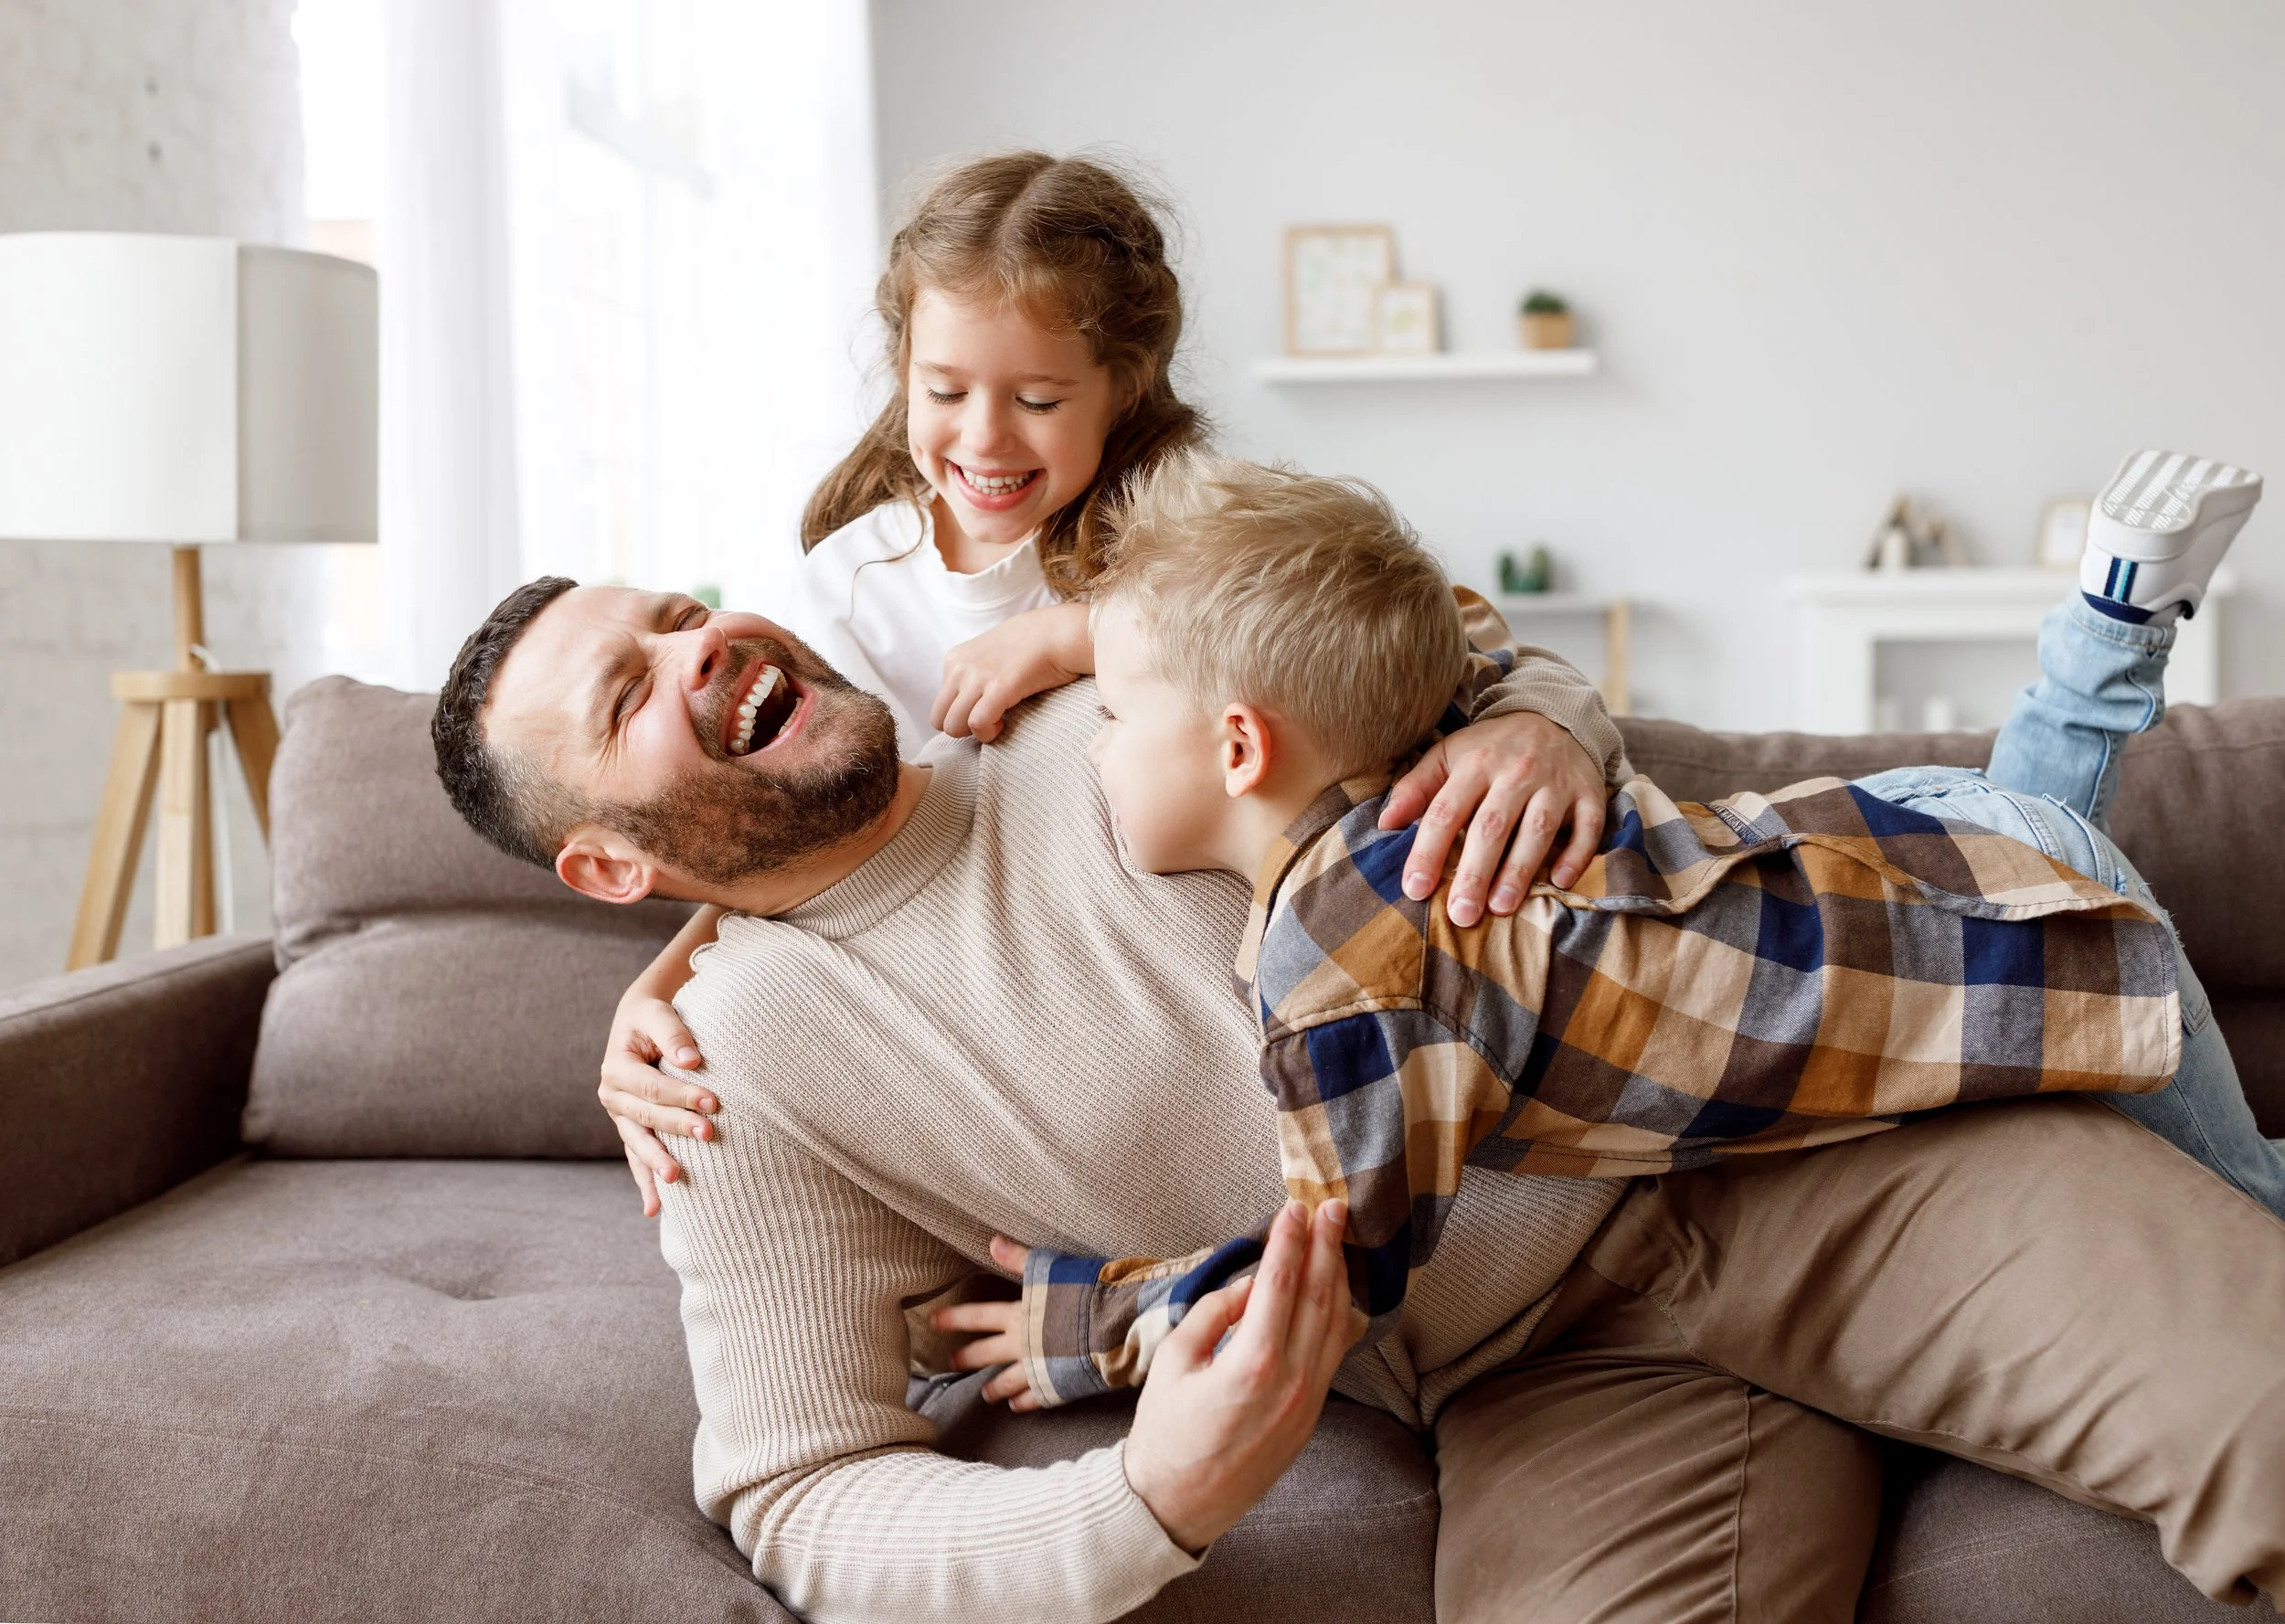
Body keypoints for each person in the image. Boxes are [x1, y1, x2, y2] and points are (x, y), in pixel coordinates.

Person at [430, 469, 2284, 1622]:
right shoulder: (725, 1075)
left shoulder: (1084, 678)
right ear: (604, 861)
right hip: (1542, 1389)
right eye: (630, 693)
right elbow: (800, 1494)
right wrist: (1147, 1496)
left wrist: (1536, 718)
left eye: (677, 611)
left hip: (1805, 1146)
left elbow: (1421, 625)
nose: (699, 648)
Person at [913, 451, 2281, 1412]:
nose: (1092, 755)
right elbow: (1415, 621)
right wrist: (1076, 638)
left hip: (1983, 927)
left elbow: (1337, 1276)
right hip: (1926, 838)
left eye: (1111, 719)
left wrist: (1109, 1325)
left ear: (1236, 743)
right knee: (2030, 827)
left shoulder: (1345, 973)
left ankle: (2114, 620)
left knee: (2253, 1210)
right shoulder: (1413, 779)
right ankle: (2113, 609)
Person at [601, 151, 1621, 1214]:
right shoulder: (854, 585)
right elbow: (787, 835)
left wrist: (1075, 634)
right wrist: (656, 984)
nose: (985, 439)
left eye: (1038, 399)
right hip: (1006, 999)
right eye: (944, 391)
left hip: (1234, 967)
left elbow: (1436, 632)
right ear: (902, 365)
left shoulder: (1181, 525)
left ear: (1122, 384)